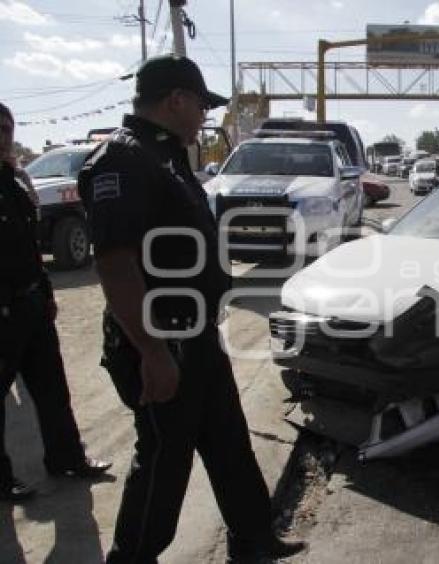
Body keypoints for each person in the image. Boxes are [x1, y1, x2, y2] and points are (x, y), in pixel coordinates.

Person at [76, 55, 305, 563]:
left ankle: (254, 543)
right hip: (160, 341)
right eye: (201, 104)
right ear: (175, 99)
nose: (205, 115)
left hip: (196, 334)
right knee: (163, 462)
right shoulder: (123, 158)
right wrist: (152, 352)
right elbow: (116, 266)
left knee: (229, 445)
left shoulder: (166, 155)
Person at [0, 101, 112, 503]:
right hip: (4, 310)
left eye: (7, 129)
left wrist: (45, 292)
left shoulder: (14, 182)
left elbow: (29, 249)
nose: (3, 137)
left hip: (30, 303)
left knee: (51, 387)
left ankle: (66, 458)